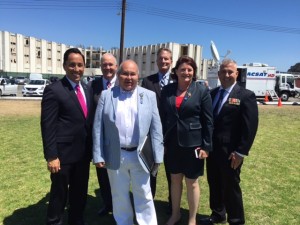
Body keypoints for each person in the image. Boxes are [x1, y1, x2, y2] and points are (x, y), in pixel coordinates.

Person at [93, 59, 164, 225]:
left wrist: (158, 156)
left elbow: (156, 128)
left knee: (144, 194)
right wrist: (98, 154)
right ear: (118, 75)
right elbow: (98, 127)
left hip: (141, 154)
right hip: (115, 155)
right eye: (125, 73)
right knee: (119, 194)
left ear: (138, 76)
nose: (129, 77)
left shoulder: (149, 96)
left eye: (133, 74)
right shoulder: (106, 95)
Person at [41, 48, 93, 225]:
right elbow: (47, 126)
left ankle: (76, 220)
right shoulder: (53, 90)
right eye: (72, 64)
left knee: (80, 191)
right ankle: (54, 221)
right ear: (64, 66)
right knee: (59, 194)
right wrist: (51, 156)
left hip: (83, 153)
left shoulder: (87, 88)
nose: (76, 69)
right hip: (62, 156)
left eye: (80, 65)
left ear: (84, 66)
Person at [203, 59, 259, 225]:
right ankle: (218, 213)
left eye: (230, 72)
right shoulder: (212, 94)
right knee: (214, 182)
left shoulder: (246, 96)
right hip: (212, 150)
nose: (226, 75)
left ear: (237, 74)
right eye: (223, 72)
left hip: (231, 152)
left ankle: (236, 219)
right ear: (219, 74)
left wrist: (241, 152)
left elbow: (250, 127)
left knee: (231, 185)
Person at [161, 55, 213, 225]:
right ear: (176, 71)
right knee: (175, 180)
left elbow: (208, 120)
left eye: (190, 69)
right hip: (172, 144)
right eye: (182, 69)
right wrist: (161, 142)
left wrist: (206, 146)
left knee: (192, 182)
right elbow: (163, 117)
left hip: (194, 145)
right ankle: (175, 214)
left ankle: (192, 219)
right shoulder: (167, 90)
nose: (186, 72)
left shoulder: (201, 90)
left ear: (194, 72)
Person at [141, 47, 175, 209]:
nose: (163, 61)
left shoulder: (178, 79)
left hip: (172, 134)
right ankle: (149, 204)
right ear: (157, 61)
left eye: (166, 59)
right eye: (161, 59)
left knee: (172, 173)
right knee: (151, 171)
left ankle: (172, 204)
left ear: (171, 61)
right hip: (151, 133)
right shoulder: (148, 81)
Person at [90, 53, 118, 216]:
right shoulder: (92, 86)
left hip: (119, 140)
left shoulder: (123, 84)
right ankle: (107, 204)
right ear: (101, 66)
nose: (108, 67)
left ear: (116, 66)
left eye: (110, 64)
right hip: (99, 140)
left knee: (119, 174)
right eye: (104, 64)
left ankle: (119, 204)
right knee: (102, 174)